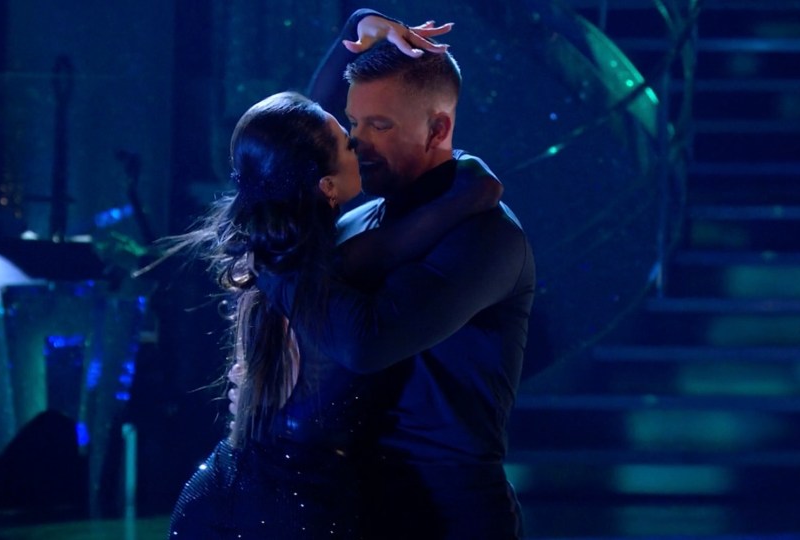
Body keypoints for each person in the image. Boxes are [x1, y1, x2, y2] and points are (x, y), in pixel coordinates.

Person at [250, 10, 537, 539]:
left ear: (439, 129)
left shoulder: (485, 237)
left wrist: (273, 264)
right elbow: (299, 152)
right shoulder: (361, 208)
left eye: (379, 126)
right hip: (356, 503)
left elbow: (367, 342)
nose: (358, 142)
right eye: (355, 124)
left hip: (449, 514)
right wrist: (356, 29)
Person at [168, 90, 502, 538]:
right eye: (348, 141)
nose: (359, 144)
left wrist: (361, 23)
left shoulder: (272, 248)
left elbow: (282, 131)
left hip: (228, 491)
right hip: (294, 512)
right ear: (326, 187)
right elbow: (479, 190)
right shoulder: (333, 265)